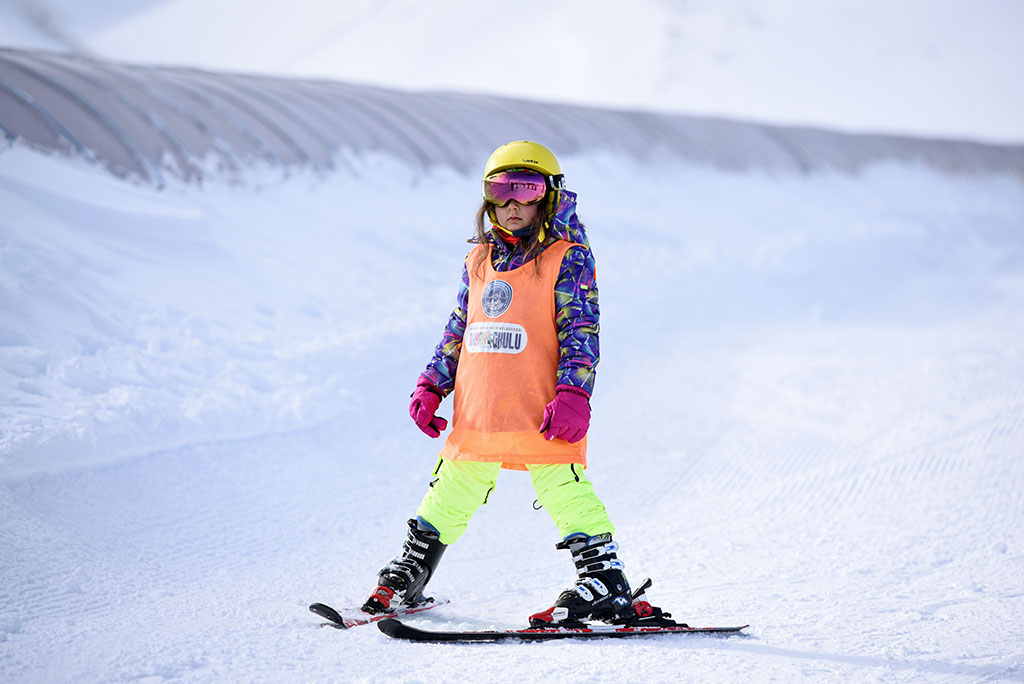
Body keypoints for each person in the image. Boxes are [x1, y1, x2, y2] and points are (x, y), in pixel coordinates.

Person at [362, 140, 654, 627]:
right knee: (452, 488)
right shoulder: (478, 259)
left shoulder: (570, 256)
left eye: (527, 188)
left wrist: (574, 393)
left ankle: (606, 582)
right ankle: (413, 571)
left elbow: (581, 330)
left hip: (540, 407)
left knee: (563, 486)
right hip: (479, 406)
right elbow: (459, 327)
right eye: (500, 189)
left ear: (550, 196)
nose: (512, 202)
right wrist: (431, 385)